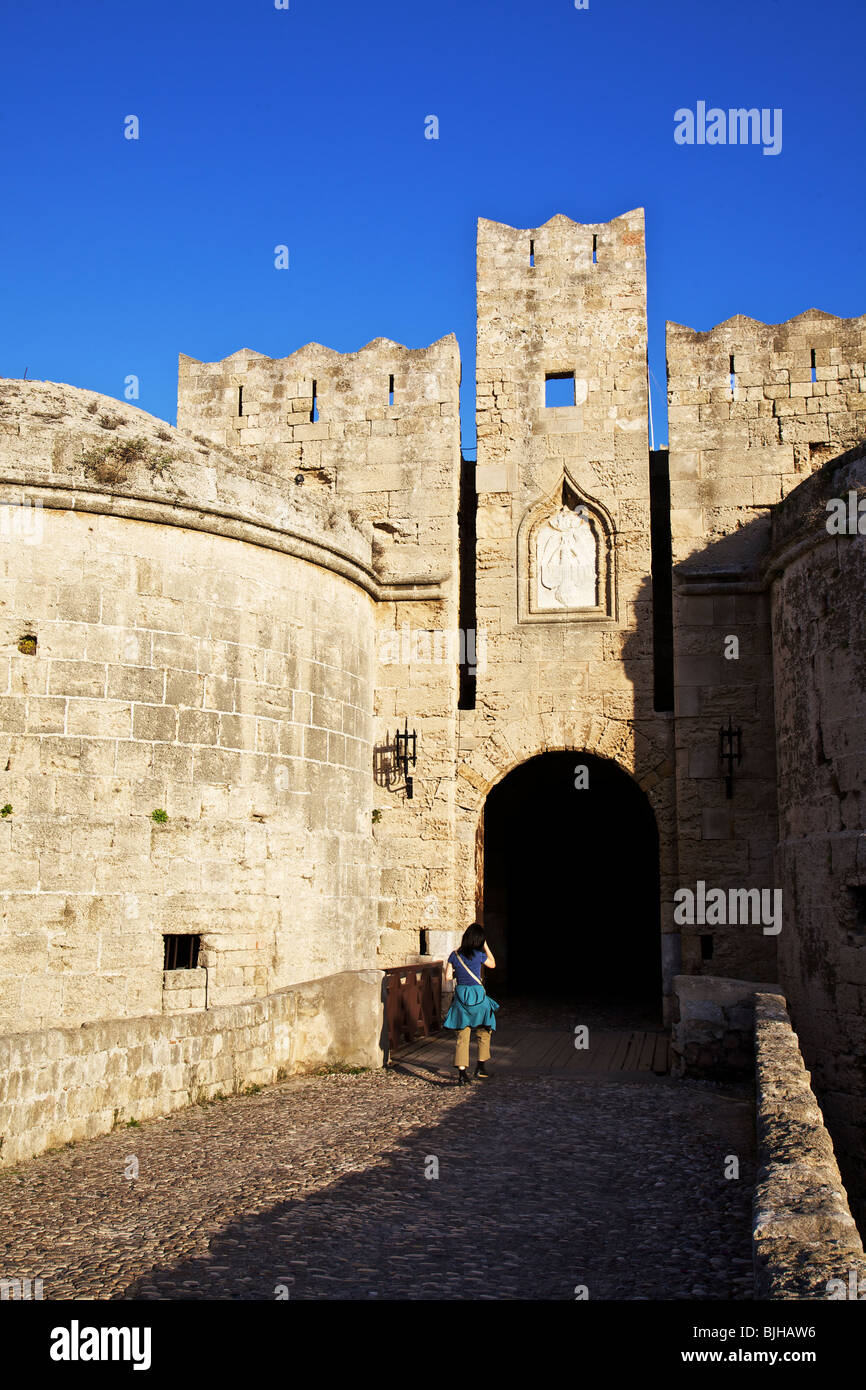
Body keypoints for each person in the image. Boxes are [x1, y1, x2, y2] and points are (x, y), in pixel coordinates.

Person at [443, 923, 499, 1084]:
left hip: (462, 999)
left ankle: (462, 1074)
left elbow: (447, 977)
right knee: (484, 1031)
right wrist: (486, 946)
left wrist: (458, 974)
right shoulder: (479, 955)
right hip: (479, 999)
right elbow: (493, 964)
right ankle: (480, 1067)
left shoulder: (454, 955)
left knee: (462, 1036)